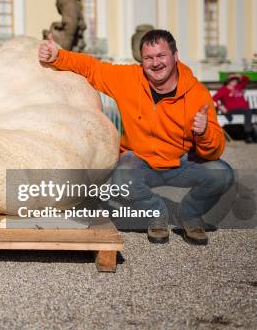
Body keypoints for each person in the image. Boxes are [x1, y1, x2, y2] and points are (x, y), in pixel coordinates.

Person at [38, 29, 233, 245]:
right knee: (121, 178)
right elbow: (92, 68)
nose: (155, 63)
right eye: (148, 58)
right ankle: (156, 213)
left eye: (161, 56)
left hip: (181, 161)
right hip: (141, 160)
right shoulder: (129, 79)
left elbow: (215, 151)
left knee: (221, 173)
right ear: (142, 60)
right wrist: (58, 55)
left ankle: (189, 213)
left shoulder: (197, 93)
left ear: (175, 56)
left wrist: (204, 131)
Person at [213, 73, 256, 143]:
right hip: (232, 110)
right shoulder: (223, 89)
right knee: (248, 112)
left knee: (249, 111)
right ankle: (248, 135)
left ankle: (251, 134)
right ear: (228, 81)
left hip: (244, 110)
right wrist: (220, 106)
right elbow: (214, 98)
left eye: (236, 80)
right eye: (233, 80)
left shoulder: (239, 87)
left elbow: (246, 79)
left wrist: (237, 75)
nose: (235, 82)